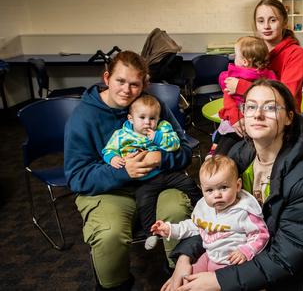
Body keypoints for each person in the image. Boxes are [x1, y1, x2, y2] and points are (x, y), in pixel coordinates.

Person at [162, 79, 303, 291]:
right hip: (243, 259)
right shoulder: (240, 155)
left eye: (270, 107)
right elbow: (214, 213)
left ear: (288, 118)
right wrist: (185, 257)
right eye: (251, 106)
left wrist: (218, 281)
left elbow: (286, 257)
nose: (258, 114)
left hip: (291, 276)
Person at [64, 51, 194, 290]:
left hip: (159, 181)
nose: (127, 89)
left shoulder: (152, 106)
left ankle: (179, 278)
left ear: (144, 83)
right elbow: (76, 177)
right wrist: (123, 172)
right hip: (109, 190)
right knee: (109, 234)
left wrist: (160, 157)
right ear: (106, 78)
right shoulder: (83, 117)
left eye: (135, 84)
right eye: (120, 81)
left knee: (176, 210)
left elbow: (185, 151)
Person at [102, 94, 202, 250]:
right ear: (131, 119)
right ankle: (151, 233)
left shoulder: (163, 128)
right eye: (142, 117)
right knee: (144, 202)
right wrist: (113, 158)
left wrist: (158, 137)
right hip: (144, 180)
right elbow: (108, 150)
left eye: (152, 118)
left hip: (165, 172)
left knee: (188, 182)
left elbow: (175, 145)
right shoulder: (121, 135)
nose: (147, 122)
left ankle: (203, 207)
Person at [215, 0, 303, 155]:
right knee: (221, 164)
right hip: (246, 121)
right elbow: (229, 90)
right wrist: (234, 116)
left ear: (285, 22)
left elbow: (285, 96)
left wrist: (242, 87)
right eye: (260, 21)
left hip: (279, 126)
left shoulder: (296, 53)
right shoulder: (252, 51)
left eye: (273, 20)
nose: (266, 26)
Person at [151, 155, 269, 273]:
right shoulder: (204, 207)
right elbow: (194, 226)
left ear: (237, 186)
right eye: (209, 190)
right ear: (202, 189)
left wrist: (246, 251)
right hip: (210, 255)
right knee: (189, 276)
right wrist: (170, 229)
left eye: (223, 187)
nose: (217, 195)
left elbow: (261, 234)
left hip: (233, 262)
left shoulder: (244, 210)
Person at [213, 36, 277, 155]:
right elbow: (274, 95)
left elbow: (228, 100)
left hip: (236, 123)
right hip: (262, 124)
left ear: (245, 62)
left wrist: (235, 118)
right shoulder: (270, 76)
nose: (234, 59)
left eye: (236, 56)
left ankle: (215, 158)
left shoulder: (232, 77)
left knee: (223, 149)